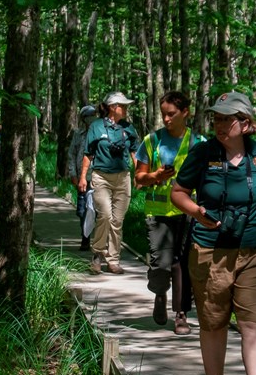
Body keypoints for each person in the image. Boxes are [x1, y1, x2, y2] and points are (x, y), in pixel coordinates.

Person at [171, 91, 256, 375]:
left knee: (253, 324)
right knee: (214, 321)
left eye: (227, 119)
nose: (220, 125)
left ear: (245, 123)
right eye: (216, 119)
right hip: (210, 249)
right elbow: (178, 193)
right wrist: (197, 212)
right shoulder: (203, 154)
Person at [134, 91, 205, 336]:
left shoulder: (199, 143)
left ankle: (181, 314)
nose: (166, 119)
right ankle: (159, 293)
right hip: (158, 212)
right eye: (163, 114)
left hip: (189, 213)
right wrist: (155, 177)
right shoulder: (151, 140)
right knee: (160, 264)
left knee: (184, 264)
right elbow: (139, 178)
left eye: (171, 114)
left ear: (185, 113)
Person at [78, 92, 140, 275]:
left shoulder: (129, 128)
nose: (126, 108)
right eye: (124, 105)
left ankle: (113, 260)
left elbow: (135, 153)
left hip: (123, 178)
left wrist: (140, 174)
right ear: (114, 107)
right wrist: (83, 177)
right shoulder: (96, 126)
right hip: (101, 177)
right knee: (104, 215)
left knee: (118, 220)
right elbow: (88, 153)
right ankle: (97, 254)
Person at [68, 105, 97, 251]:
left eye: (93, 115)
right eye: (88, 116)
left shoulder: (100, 133)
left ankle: (99, 242)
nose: (91, 118)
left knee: (98, 210)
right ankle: (85, 237)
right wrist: (73, 173)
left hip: (99, 178)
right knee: (82, 209)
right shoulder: (78, 134)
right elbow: (72, 154)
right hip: (83, 179)